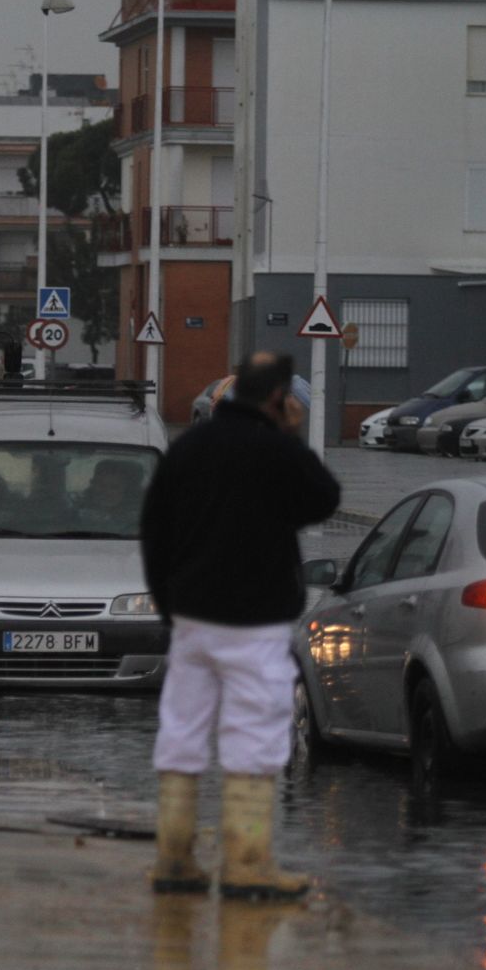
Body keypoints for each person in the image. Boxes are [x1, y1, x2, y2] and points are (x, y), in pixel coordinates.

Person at [140, 352, 340, 900]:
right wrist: (294, 438)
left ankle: (174, 859)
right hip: (255, 622)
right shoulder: (276, 453)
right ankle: (248, 864)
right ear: (279, 400)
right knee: (254, 736)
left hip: (191, 619)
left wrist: (168, 606)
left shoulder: (189, 448)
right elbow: (324, 498)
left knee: (182, 732)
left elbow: (153, 532)